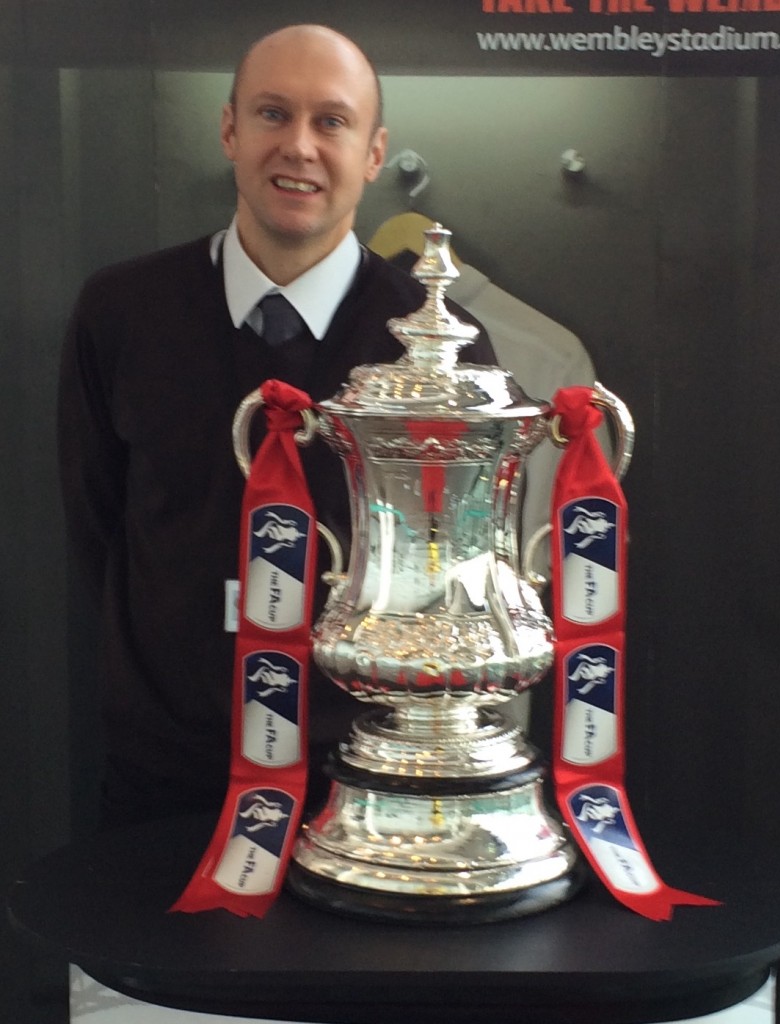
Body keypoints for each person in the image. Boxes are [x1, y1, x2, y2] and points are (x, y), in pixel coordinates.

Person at [58, 24, 494, 830]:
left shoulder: (444, 350)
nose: (298, 146)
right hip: (162, 778)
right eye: (271, 113)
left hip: (371, 783)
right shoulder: (120, 314)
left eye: (331, 121)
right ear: (229, 128)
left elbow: (454, 584)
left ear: (373, 151)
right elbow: (100, 523)